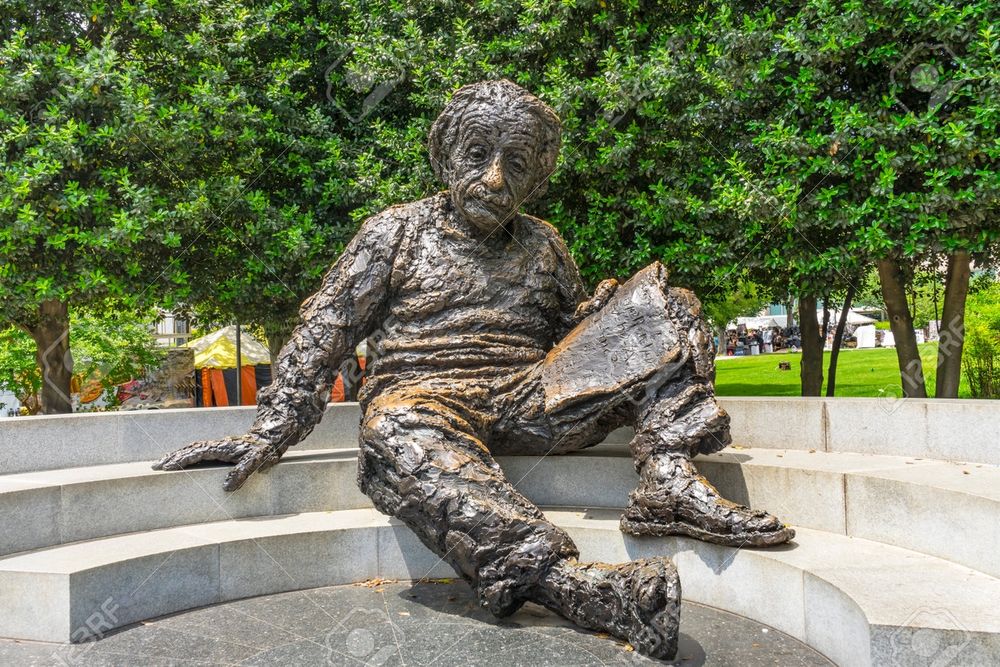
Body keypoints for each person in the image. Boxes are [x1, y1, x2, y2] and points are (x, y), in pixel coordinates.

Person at [153, 80, 793, 659]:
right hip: (425, 399)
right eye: (478, 154)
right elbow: (326, 329)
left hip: (529, 394)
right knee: (395, 433)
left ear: (536, 180)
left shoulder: (543, 243)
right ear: (445, 157)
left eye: (516, 165)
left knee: (668, 307)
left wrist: (599, 316)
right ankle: (577, 587)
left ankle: (668, 479)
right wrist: (273, 429)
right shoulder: (394, 233)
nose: (493, 179)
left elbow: (575, 336)